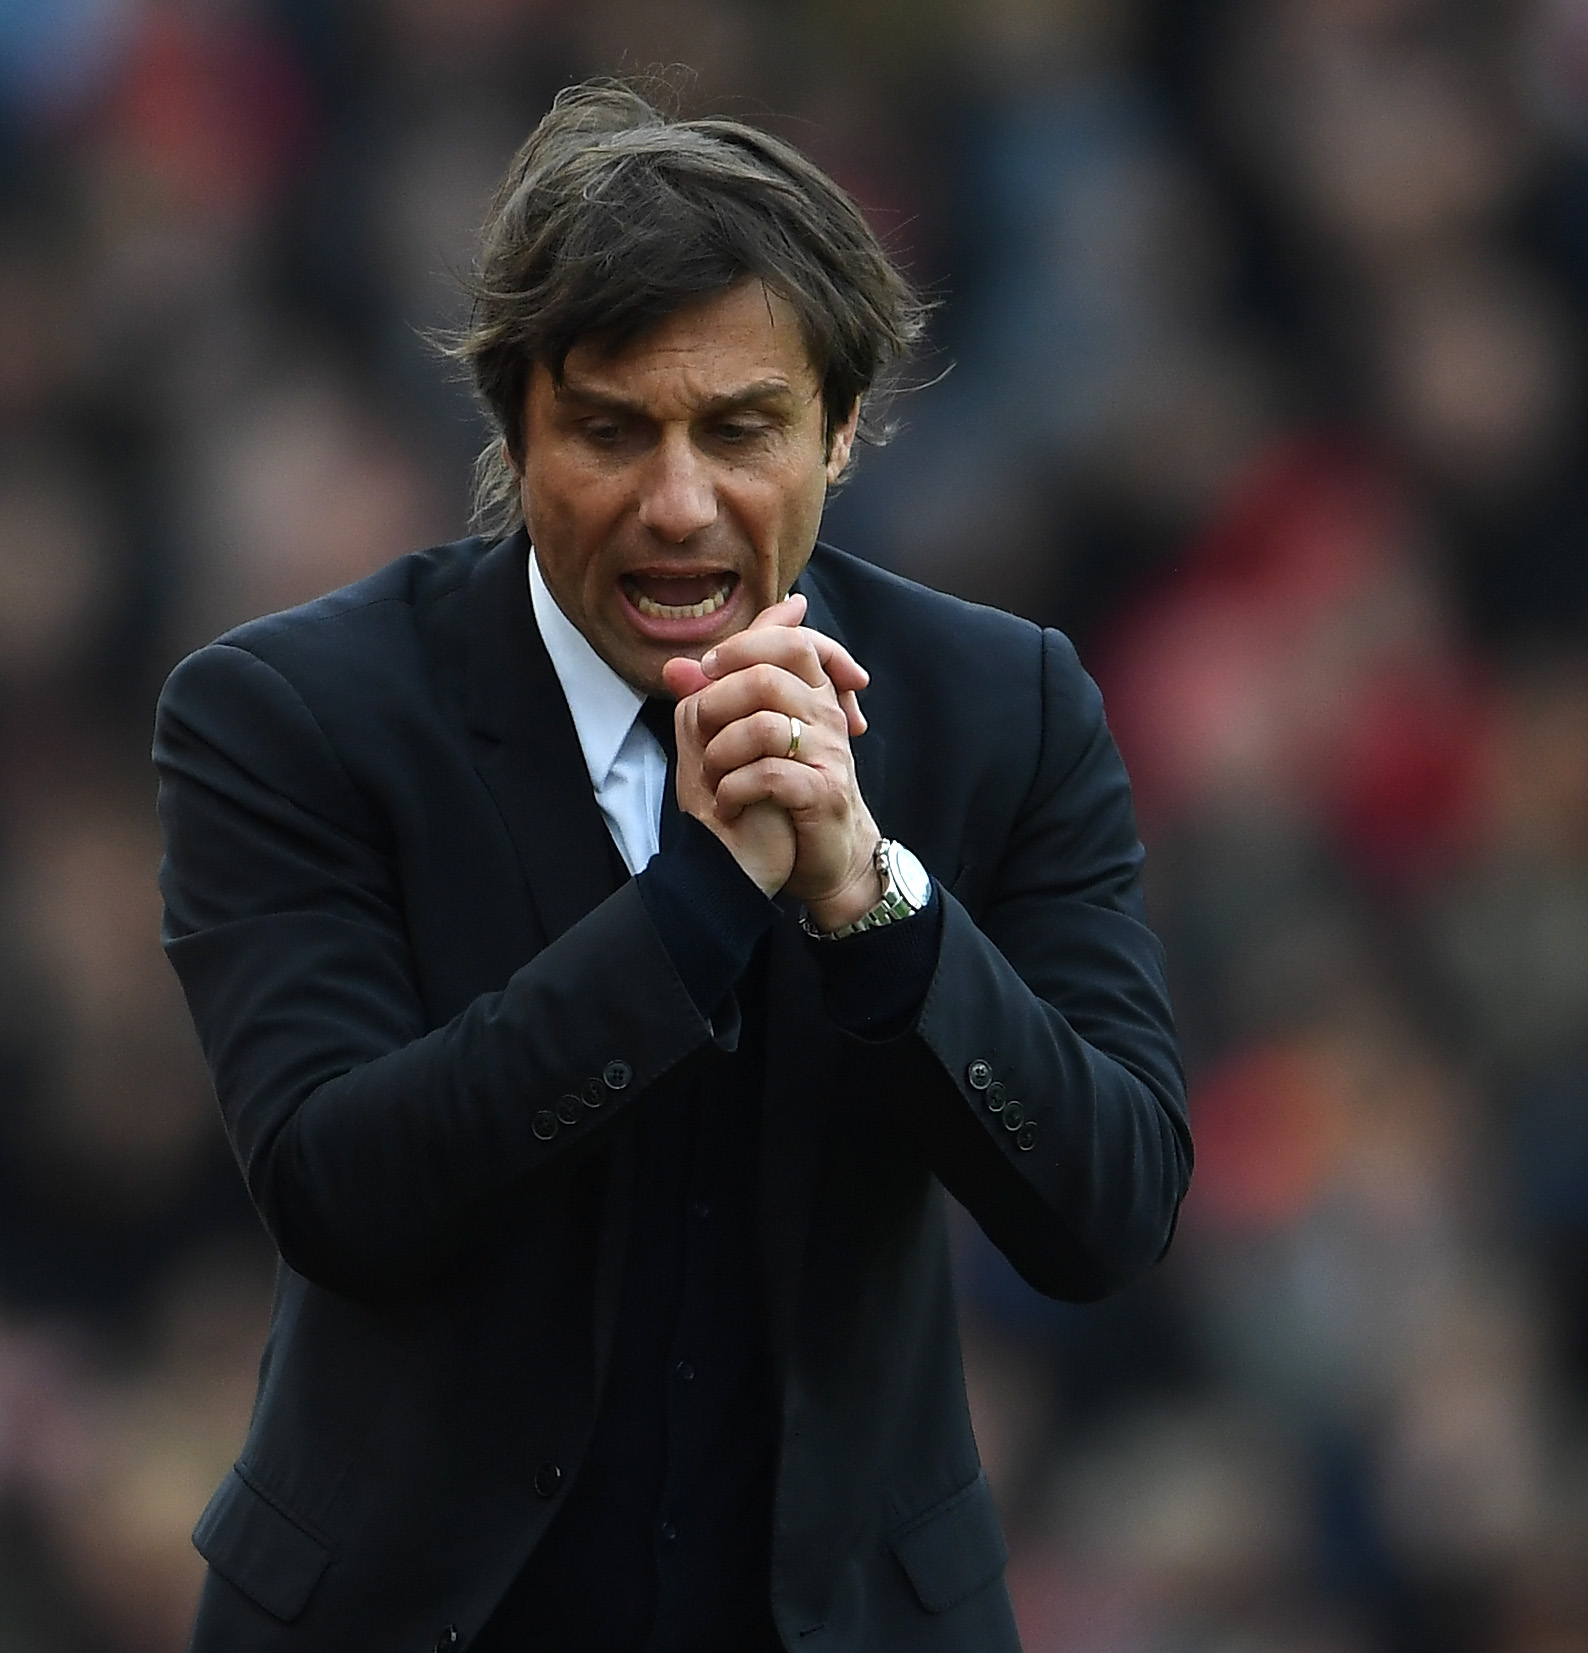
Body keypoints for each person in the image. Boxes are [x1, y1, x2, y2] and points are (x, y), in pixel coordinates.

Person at [153, 80, 1191, 1653]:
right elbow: (342, 1186)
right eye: (611, 428)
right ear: (515, 427)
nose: (680, 503)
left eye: (743, 428)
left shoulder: (1004, 707)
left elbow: (1108, 1209)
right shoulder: (290, 715)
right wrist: (700, 896)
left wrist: (879, 906)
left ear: (843, 429)